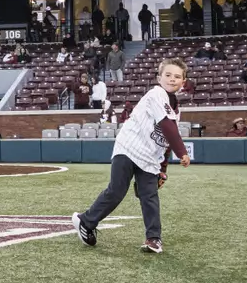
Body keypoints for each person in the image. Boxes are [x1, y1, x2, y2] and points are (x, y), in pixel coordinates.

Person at [72, 57, 190, 255]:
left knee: (149, 196)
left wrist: (162, 170)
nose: (172, 79)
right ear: (159, 77)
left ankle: (153, 239)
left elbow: (165, 142)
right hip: (129, 147)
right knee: (117, 191)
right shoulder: (156, 94)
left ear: (183, 82)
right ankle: (86, 221)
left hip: (150, 158)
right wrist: (183, 152)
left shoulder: (175, 108)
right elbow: (168, 128)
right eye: (168, 75)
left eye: (177, 76)